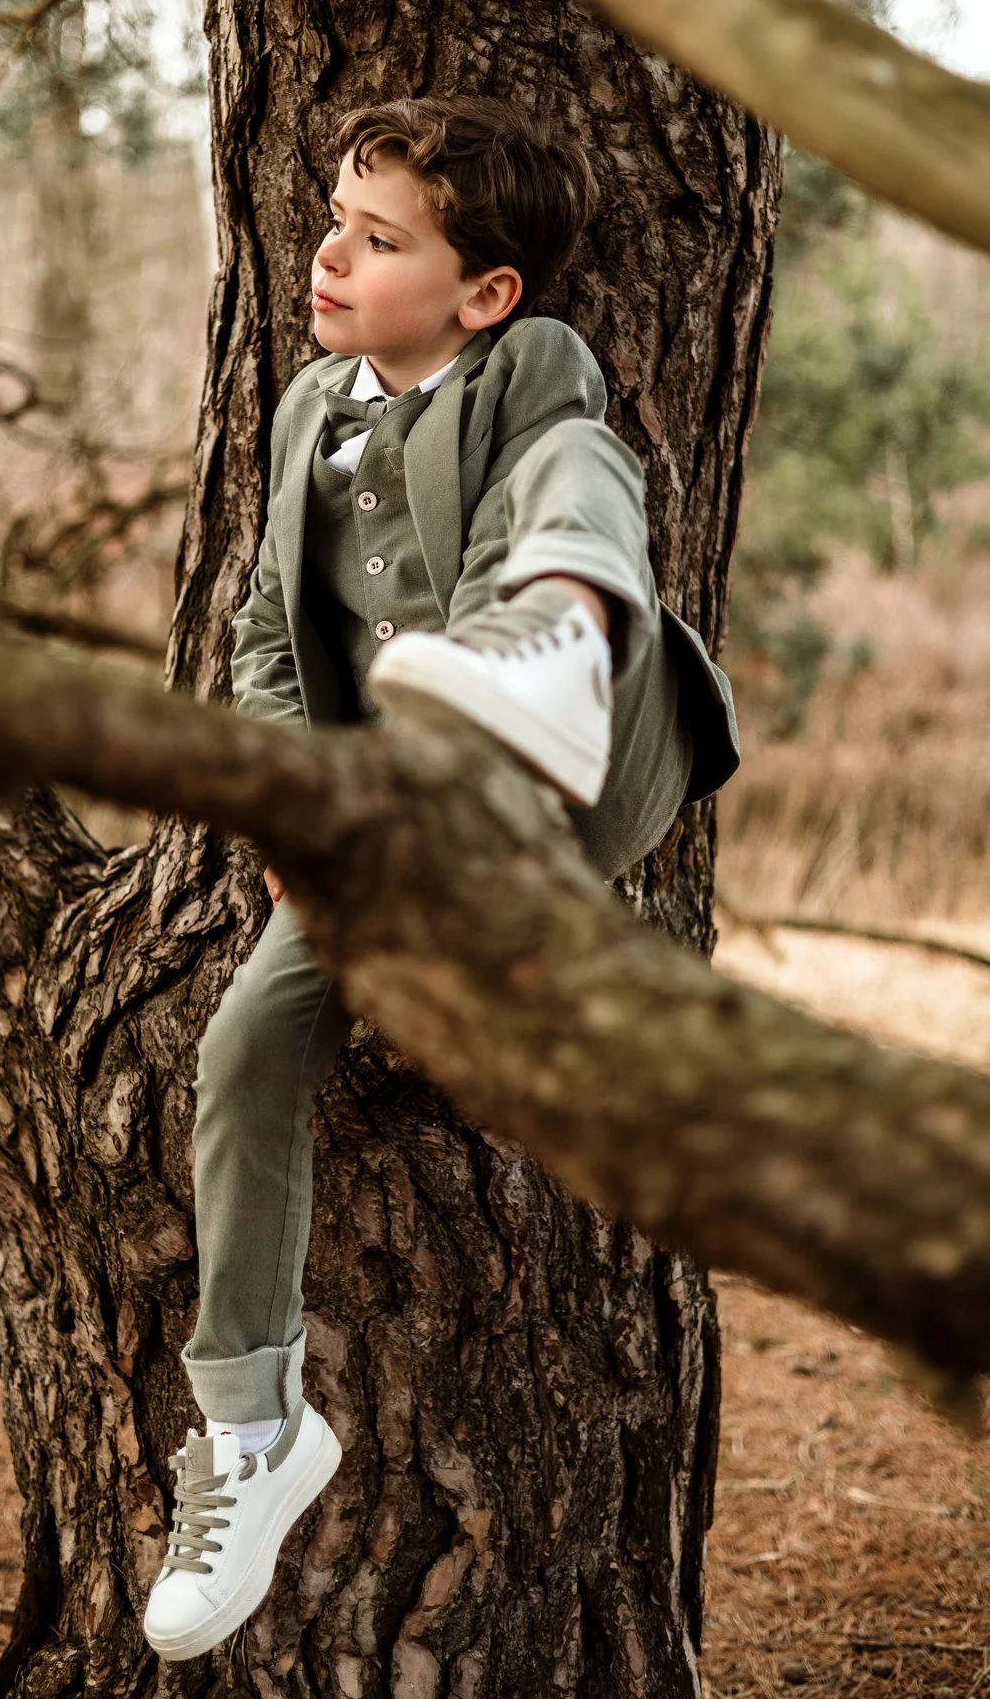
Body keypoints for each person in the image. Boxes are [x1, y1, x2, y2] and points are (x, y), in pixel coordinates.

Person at [143, 96, 739, 1660]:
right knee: (245, 1047)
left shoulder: (526, 372)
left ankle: (538, 647)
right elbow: (272, 638)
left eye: (379, 239)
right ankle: (258, 1432)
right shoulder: (298, 418)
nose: (329, 254)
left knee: (574, 467)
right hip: (392, 815)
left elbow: (557, 410)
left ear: (483, 294)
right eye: (334, 223)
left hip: (581, 751)